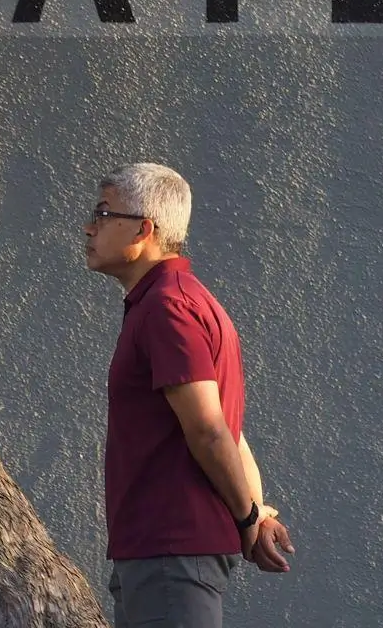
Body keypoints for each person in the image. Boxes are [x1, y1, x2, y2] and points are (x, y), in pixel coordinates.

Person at [84, 162, 294, 627]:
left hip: (169, 554)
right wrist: (255, 516)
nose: (89, 226)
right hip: (160, 556)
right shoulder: (176, 300)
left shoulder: (167, 308)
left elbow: (210, 429)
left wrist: (246, 519)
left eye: (103, 212)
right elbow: (225, 430)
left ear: (144, 229)